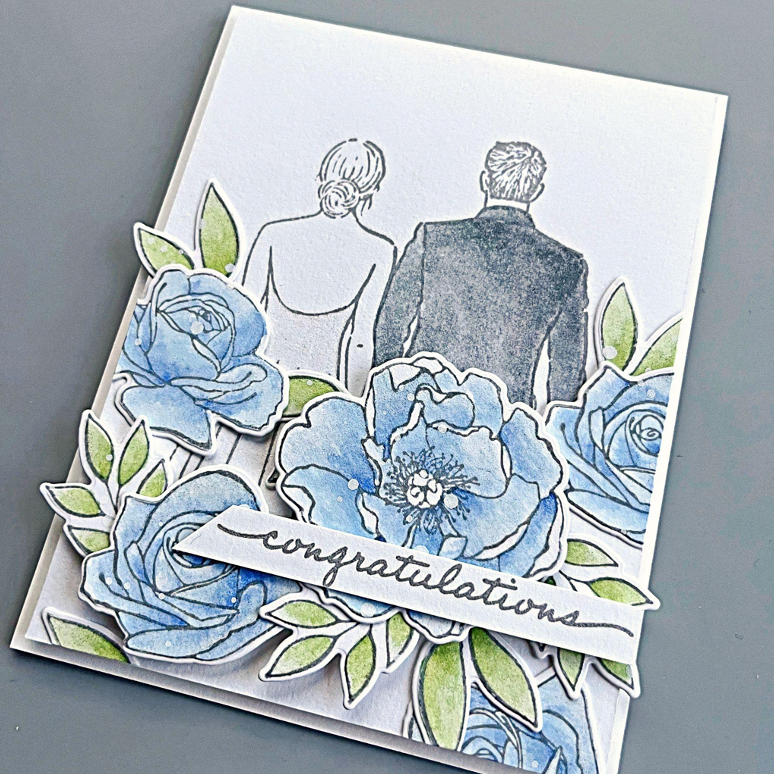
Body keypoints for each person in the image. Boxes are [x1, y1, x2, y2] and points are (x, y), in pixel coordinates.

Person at [373, 141, 588, 407]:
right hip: (504, 412)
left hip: (422, 399)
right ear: (537, 191)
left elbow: (391, 322)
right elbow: (567, 368)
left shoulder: (434, 238)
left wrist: (388, 393)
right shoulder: (566, 264)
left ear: (485, 180)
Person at [239, 139, 396, 396]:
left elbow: (243, 315)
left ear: (322, 177)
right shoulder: (380, 252)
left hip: (259, 382)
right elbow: (359, 340)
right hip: (322, 393)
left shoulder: (273, 234)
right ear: (372, 190)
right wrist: (354, 401)